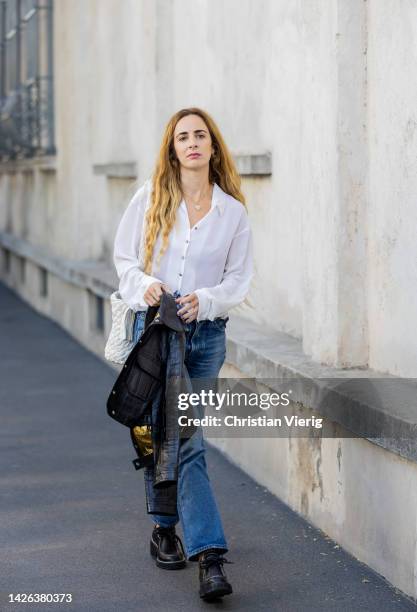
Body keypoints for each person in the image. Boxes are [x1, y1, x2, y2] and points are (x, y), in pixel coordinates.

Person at [113, 107, 253, 601]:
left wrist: (207, 299)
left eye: (200, 136)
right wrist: (149, 285)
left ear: (213, 146)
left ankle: (164, 528)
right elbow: (125, 260)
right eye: (182, 137)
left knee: (177, 433)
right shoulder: (150, 198)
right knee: (181, 438)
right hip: (156, 333)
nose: (192, 143)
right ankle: (210, 556)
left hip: (206, 337)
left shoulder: (232, 211)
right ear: (172, 149)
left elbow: (239, 279)